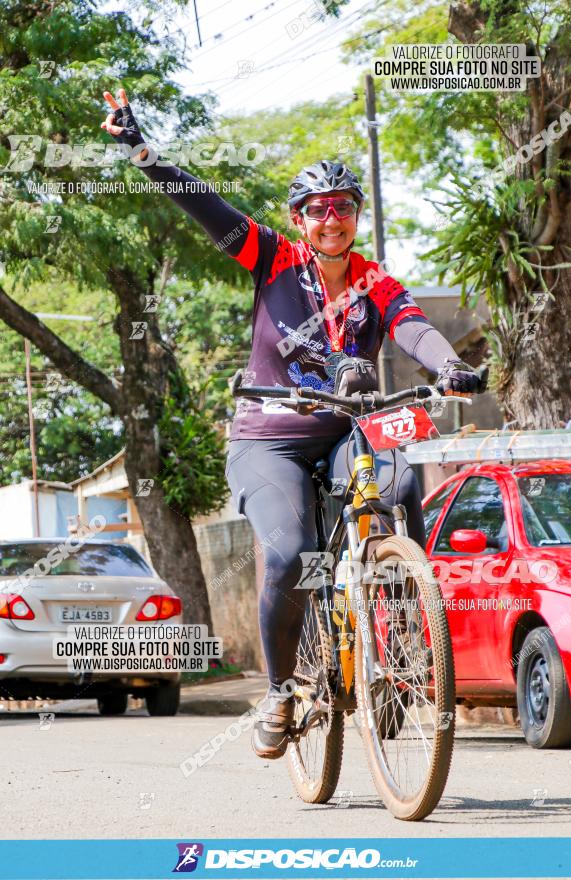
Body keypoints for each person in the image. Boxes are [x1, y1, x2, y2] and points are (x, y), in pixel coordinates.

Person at [101, 89, 486, 759]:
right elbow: (205, 206)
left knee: (395, 485)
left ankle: (398, 615)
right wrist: (143, 151)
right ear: (299, 220)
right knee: (289, 553)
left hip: (342, 434)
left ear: (355, 217)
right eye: (317, 210)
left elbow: (415, 329)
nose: (331, 219)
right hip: (267, 441)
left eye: (343, 208)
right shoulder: (272, 259)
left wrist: (450, 365)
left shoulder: (376, 281)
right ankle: (279, 690)